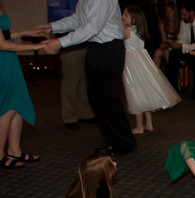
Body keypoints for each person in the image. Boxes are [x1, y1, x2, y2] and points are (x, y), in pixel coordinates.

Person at [35, 0, 137, 155]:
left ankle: (122, 143)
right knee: (96, 97)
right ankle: (115, 141)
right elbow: (78, 20)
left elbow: (92, 27)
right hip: (96, 48)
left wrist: (60, 42)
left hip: (109, 48)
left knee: (106, 98)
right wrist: (52, 27)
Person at [122, 5, 180, 134]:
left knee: (136, 94)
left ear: (134, 19)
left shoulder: (126, 31)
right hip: (143, 62)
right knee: (145, 92)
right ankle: (148, 123)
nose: (123, 17)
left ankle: (139, 126)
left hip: (133, 65)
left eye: (126, 15)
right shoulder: (138, 30)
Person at [0, 3, 43, 168]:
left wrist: (27, 32)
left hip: (8, 59)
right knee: (8, 107)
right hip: (3, 60)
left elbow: (4, 34)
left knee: (17, 104)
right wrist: (33, 46)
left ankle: (14, 151)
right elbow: (2, 44)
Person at [47, 0, 94, 130]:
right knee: (71, 78)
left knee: (84, 77)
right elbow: (55, 13)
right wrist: (85, 14)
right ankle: (69, 115)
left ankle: (85, 112)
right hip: (67, 39)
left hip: (83, 39)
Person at [152, 2, 179, 68]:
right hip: (167, 45)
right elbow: (163, 39)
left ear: (174, 12)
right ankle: (154, 75)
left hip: (177, 46)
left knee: (166, 52)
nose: (168, 13)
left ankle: (174, 74)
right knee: (158, 52)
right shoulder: (162, 22)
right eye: (166, 10)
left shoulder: (180, 23)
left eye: (170, 10)